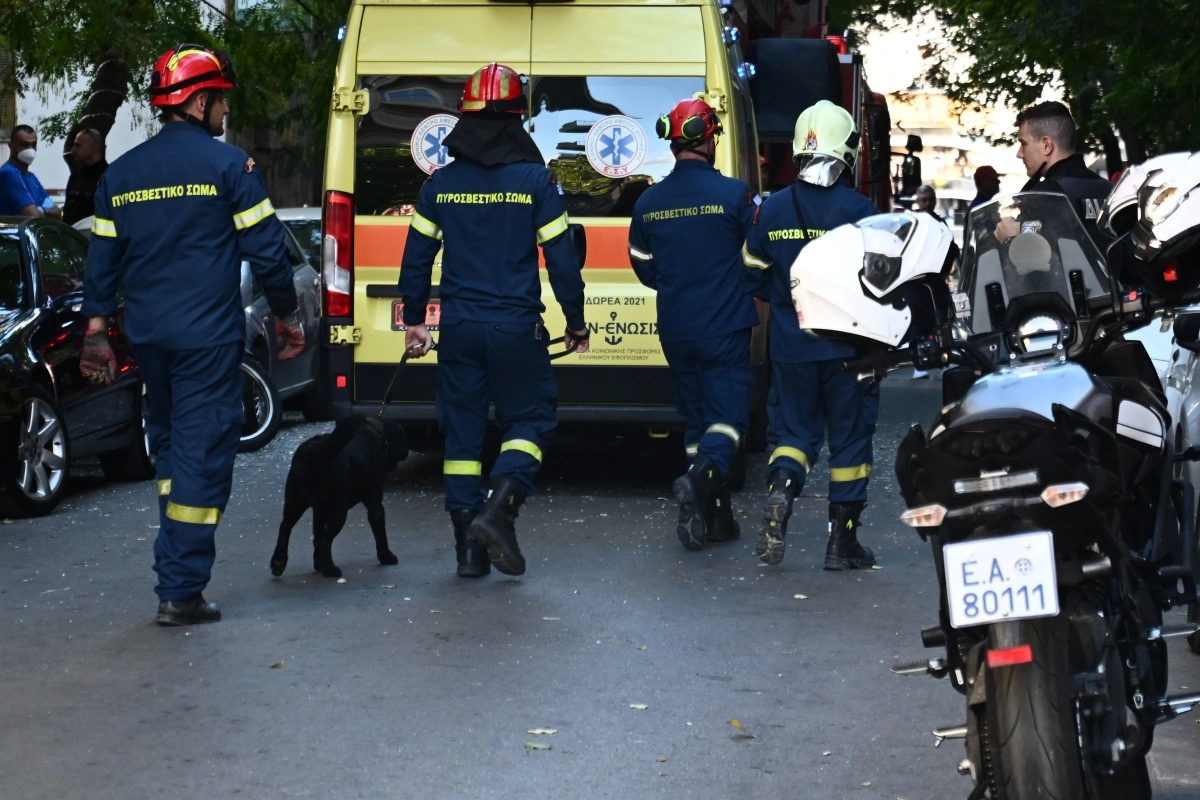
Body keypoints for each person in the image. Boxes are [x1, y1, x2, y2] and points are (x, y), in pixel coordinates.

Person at [79, 45, 306, 626]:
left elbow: (101, 264)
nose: (224, 113)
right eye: (221, 102)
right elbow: (270, 252)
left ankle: (175, 565)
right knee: (205, 457)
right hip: (207, 340)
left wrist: (97, 333)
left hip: (150, 339)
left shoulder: (121, 175)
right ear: (199, 100)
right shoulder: (229, 167)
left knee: (175, 450)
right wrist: (287, 313)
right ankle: (179, 589)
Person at [399, 62, 588, 579]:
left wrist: (415, 320)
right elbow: (562, 259)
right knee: (530, 421)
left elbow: (416, 260)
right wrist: (576, 321)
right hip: (515, 329)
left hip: (458, 329)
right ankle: (500, 506)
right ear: (515, 119)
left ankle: (467, 552)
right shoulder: (536, 182)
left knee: (460, 438)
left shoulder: (440, 185)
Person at [742, 99, 880, 570]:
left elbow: (753, 273)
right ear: (846, 151)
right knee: (850, 440)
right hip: (848, 351)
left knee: (793, 435)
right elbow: (879, 282)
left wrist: (784, 294)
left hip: (791, 346)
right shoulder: (861, 210)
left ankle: (782, 488)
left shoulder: (771, 209)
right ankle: (842, 543)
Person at [627, 98, 759, 551]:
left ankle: (712, 516)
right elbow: (756, 256)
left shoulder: (648, 201)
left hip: (676, 327)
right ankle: (698, 482)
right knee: (728, 421)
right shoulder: (736, 195)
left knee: (698, 421)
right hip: (724, 326)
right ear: (707, 137)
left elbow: (643, 266)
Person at [1015, 101, 1113, 245]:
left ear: (1046, 146)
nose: (1019, 154)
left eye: (1024, 144)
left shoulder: (1045, 195)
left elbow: (1032, 260)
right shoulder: (1110, 191)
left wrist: (1010, 238)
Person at [0, 124, 62, 218]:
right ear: (11, 147)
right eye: (24, 145)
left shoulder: (31, 176)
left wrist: (42, 210)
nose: (30, 149)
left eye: (33, 145)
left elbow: (57, 213)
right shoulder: (9, 174)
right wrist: (43, 210)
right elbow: (34, 217)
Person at [63, 128, 108, 225]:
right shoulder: (76, 177)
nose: (72, 150)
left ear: (92, 148)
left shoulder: (108, 177)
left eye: (78, 145)